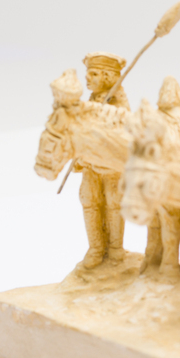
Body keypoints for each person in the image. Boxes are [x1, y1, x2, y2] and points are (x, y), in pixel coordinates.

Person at [78, 51, 127, 268]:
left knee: (114, 203)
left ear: (108, 77)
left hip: (111, 166)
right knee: (89, 201)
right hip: (89, 164)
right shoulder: (90, 101)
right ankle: (96, 248)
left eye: (94, 74)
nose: (87, 78)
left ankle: (115, 248)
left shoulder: (120, 104)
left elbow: (124, 133)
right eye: (88, 73)